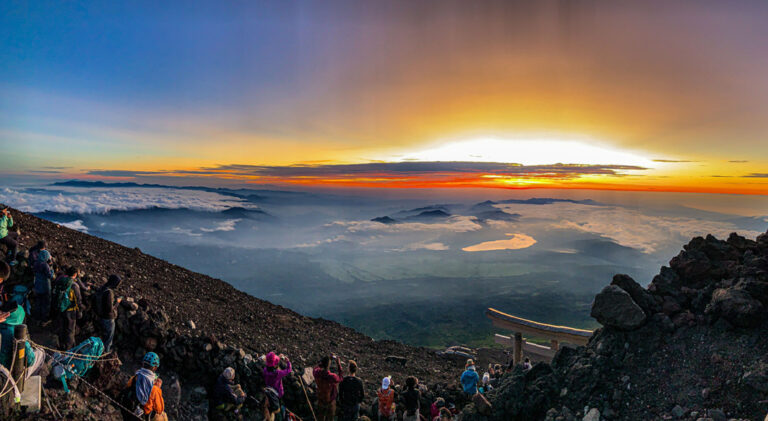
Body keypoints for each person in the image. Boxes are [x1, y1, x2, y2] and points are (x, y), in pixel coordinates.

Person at [124, 352, 167, 421]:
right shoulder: (154, 389)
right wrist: (158, 388)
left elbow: (127, 388)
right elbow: (159, 409)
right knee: (163, 415)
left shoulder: (135, 378)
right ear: (155, 368)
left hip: (129, 411)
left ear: (143, 364)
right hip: (144, 417)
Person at [53, 266, 83, 350]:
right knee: (70, 330)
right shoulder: (74, 285)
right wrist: (80, 311)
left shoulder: (61, 280)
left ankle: (61, 344)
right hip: (71, 311)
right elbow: (78, 300)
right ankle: (69, 349)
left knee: (62, 327)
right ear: (75, 274)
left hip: (61, 308)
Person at [96, 274, 122, 352]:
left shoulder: (102, 289)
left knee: (102, 337)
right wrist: (117, 303)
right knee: (108, 340)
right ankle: (105, 355)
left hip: (100, 316)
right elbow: (109, 309)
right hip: (108, 319)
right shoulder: (108, 292)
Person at [263, 351, 292, 420]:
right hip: (278, 393)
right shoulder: (278, 373)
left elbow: (271, 364)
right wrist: (288, 362)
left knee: (271, 405)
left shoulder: (265, 370)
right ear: (275, 365)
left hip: (269, 391)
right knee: (278, 408)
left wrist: (278, 357)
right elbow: (289, 369)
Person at [313, 355, 344, 421]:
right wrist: (339, 365)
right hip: (330, 402)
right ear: (328, 365)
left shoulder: (317, 373)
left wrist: (321, 362)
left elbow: (315, 368)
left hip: (321, 400)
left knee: (320, 418)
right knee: (330, 419)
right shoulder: (332, 376)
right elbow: (340, 378)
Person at [33, 249, 55, 322]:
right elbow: (50, 276)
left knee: (38, 302)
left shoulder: (36, 263)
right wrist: (51, 267)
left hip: (37, 285)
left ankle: (37, 317)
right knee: (45, 303)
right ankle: (44, 318)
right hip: (45, 286)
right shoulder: (45, 265)